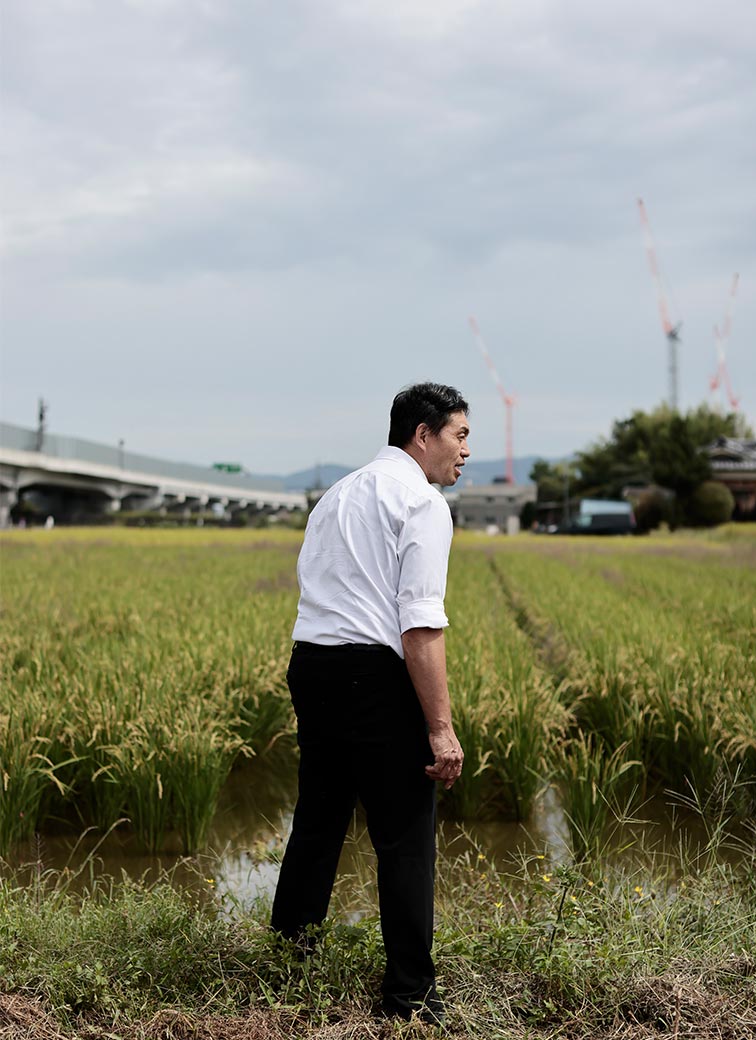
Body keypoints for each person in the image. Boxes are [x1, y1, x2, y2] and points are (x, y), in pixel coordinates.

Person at [271, 382, 470, 1025]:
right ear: (423, 434)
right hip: (373, 675)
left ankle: (287, 965)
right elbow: (419, 625)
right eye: (460, 435)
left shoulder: (336, 494)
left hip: (312, 665)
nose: (466, 451)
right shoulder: (422, 501)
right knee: (405, 836)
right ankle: (410, 998)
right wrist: (440, 728)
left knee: (318, 821)